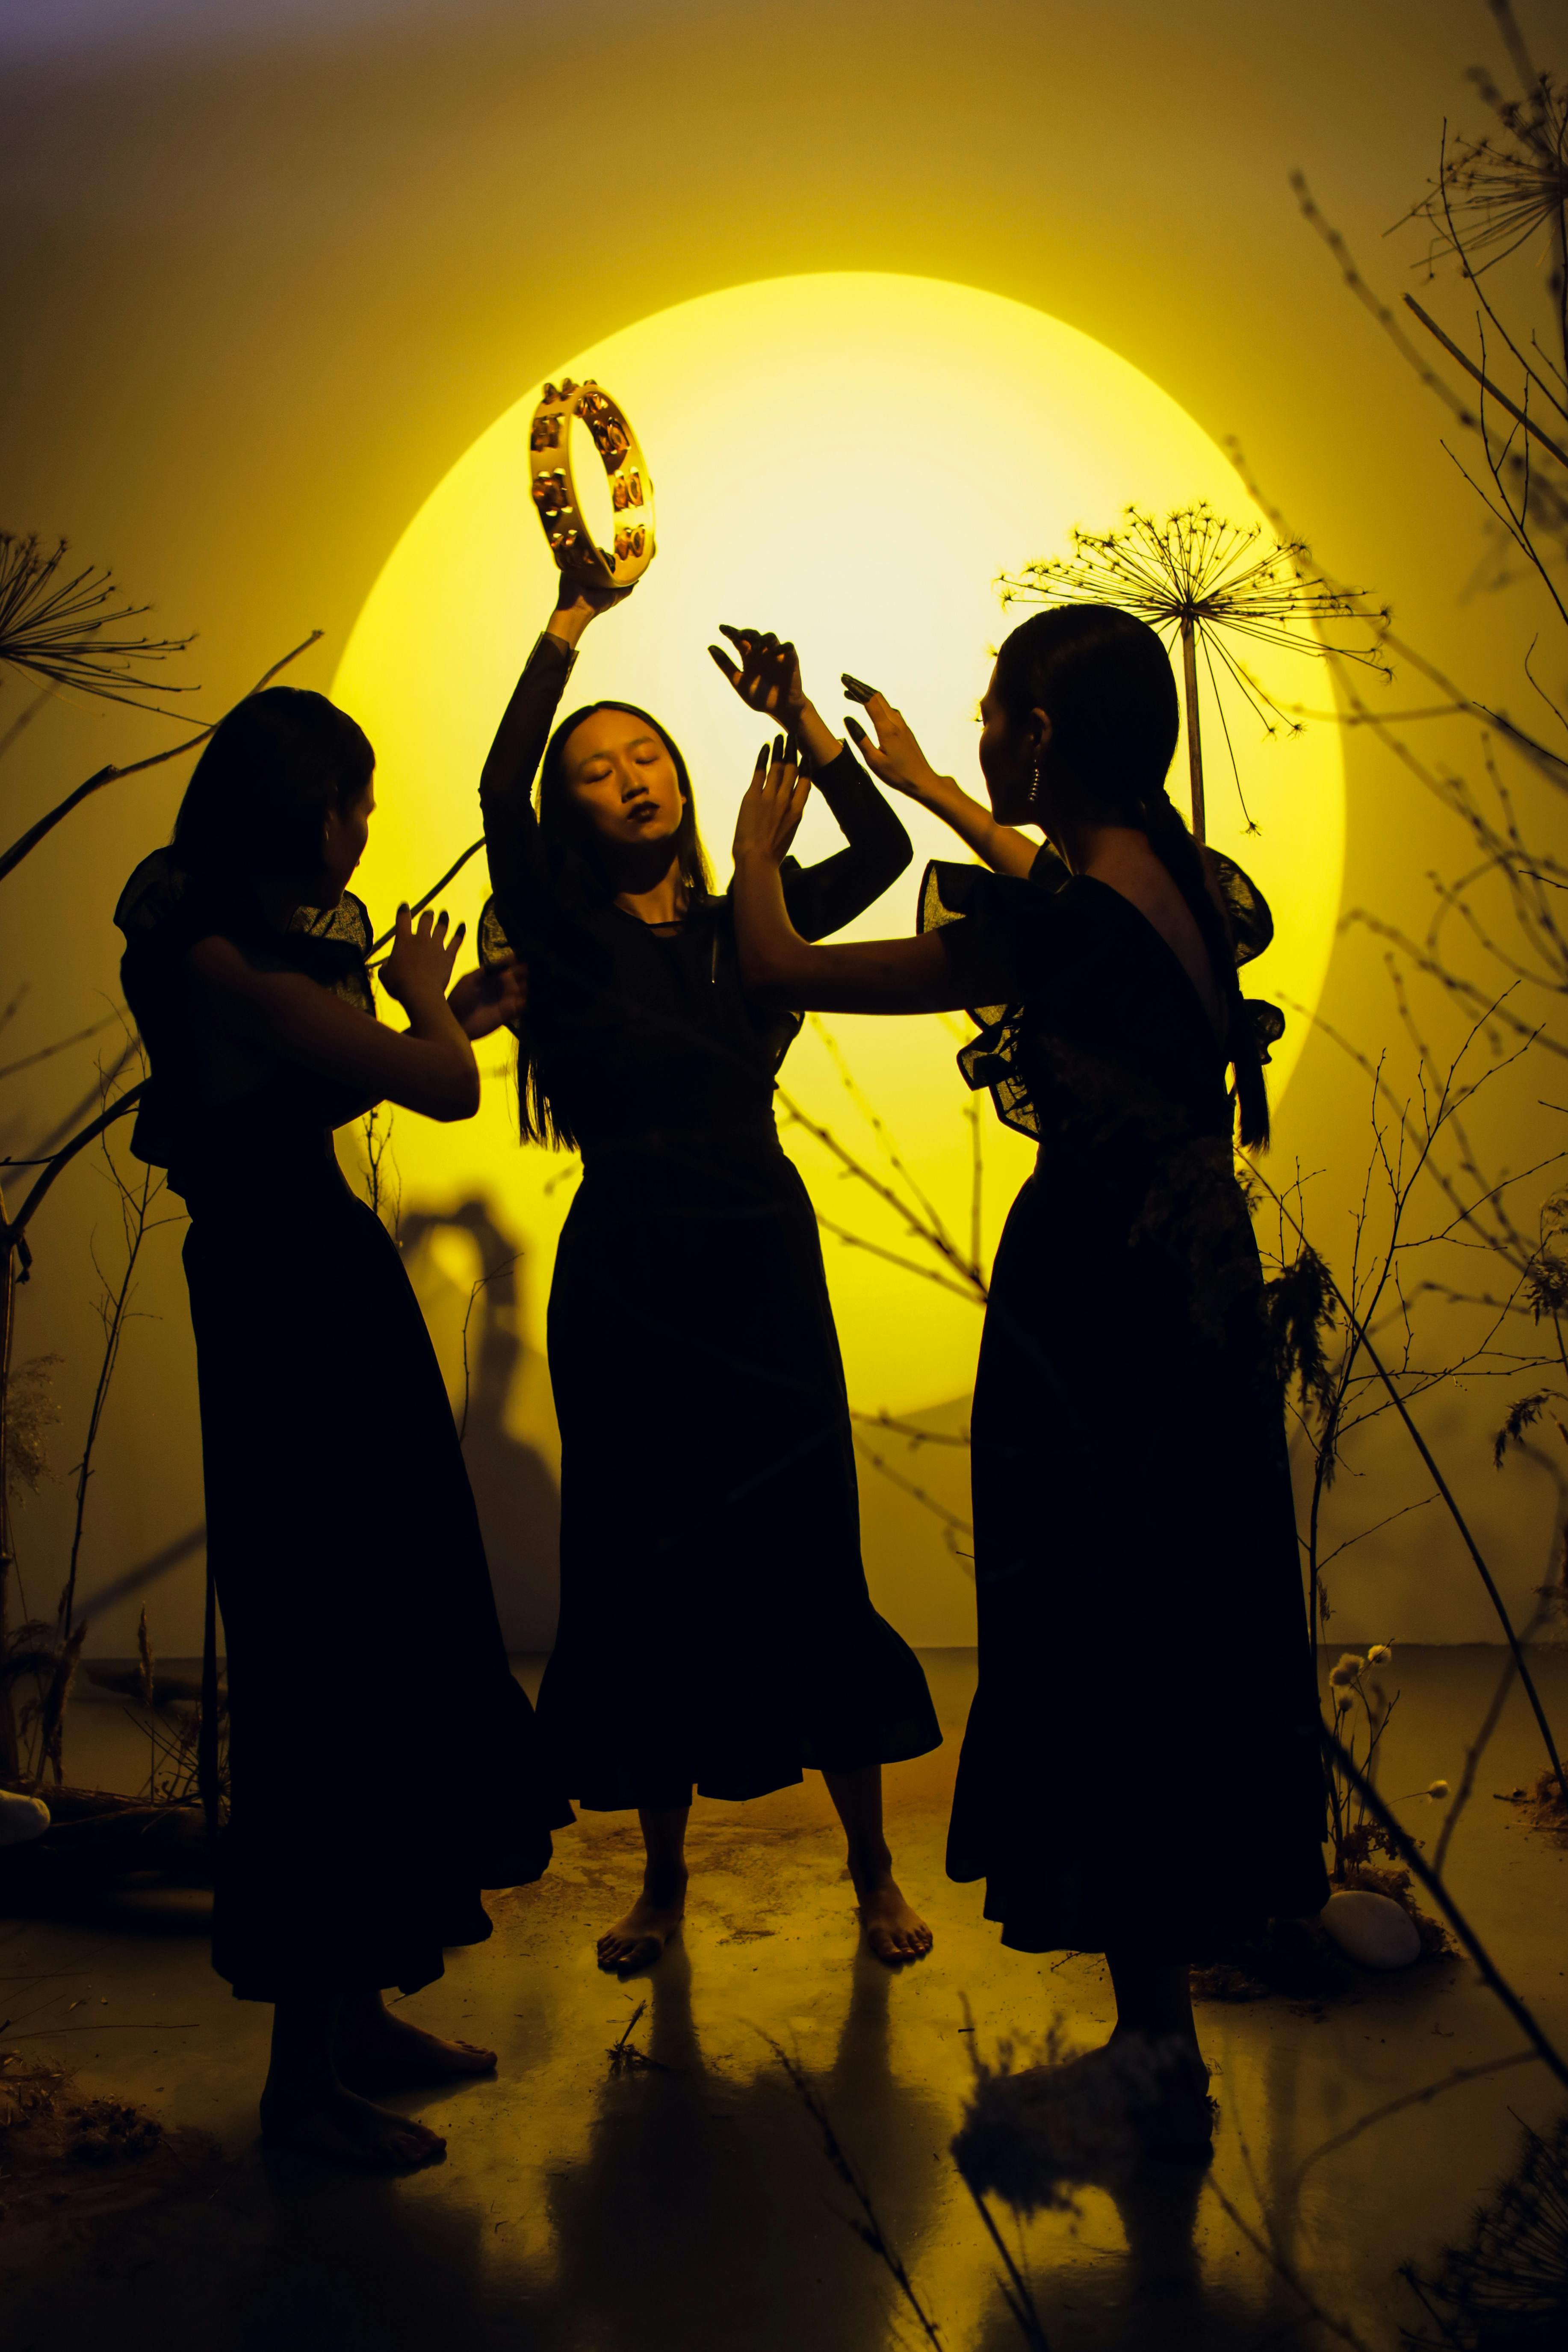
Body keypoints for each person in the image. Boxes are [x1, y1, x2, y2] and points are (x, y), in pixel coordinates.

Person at [729, 605, 1330, 2164]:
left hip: (1098, 1305)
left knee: (1100, 1636)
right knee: (1168, 1622)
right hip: (1182, 1287)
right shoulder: (1181, 879)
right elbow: (1067, 891)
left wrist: (758, 835)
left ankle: (1148, 2055)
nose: (980, 723)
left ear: (1046, 738)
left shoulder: (1057, 928)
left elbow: (776, 960)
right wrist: (927, 788)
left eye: (993, 709)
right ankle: (1159, 2040)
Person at [116, 686, 570, 2172]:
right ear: (309, 813)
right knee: (328, 1665)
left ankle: (356, 2016)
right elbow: (432, 1080)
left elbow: (375, 1050)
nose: (363, 833)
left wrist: (471, 1002)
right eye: (354, 804)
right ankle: (298, 2092)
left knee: (377, 1647)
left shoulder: (236, 947)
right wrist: (442, 998)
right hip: (293, 1312)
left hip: (306, 1296)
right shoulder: (224, 957)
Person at [478, 585, 941, 1971]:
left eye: (647, 758)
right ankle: (663, 1883)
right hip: (624, 1265)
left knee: (804, 1545)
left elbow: (879, 836)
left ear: (683, 776)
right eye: (597, 770)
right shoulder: (557, 931)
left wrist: (799, 719)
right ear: (570, 808)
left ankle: (871, 1866)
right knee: (645, 1559)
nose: (629, 779)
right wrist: (565, 618)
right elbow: (500, 780)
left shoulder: (758, 918)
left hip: (758, 1258)